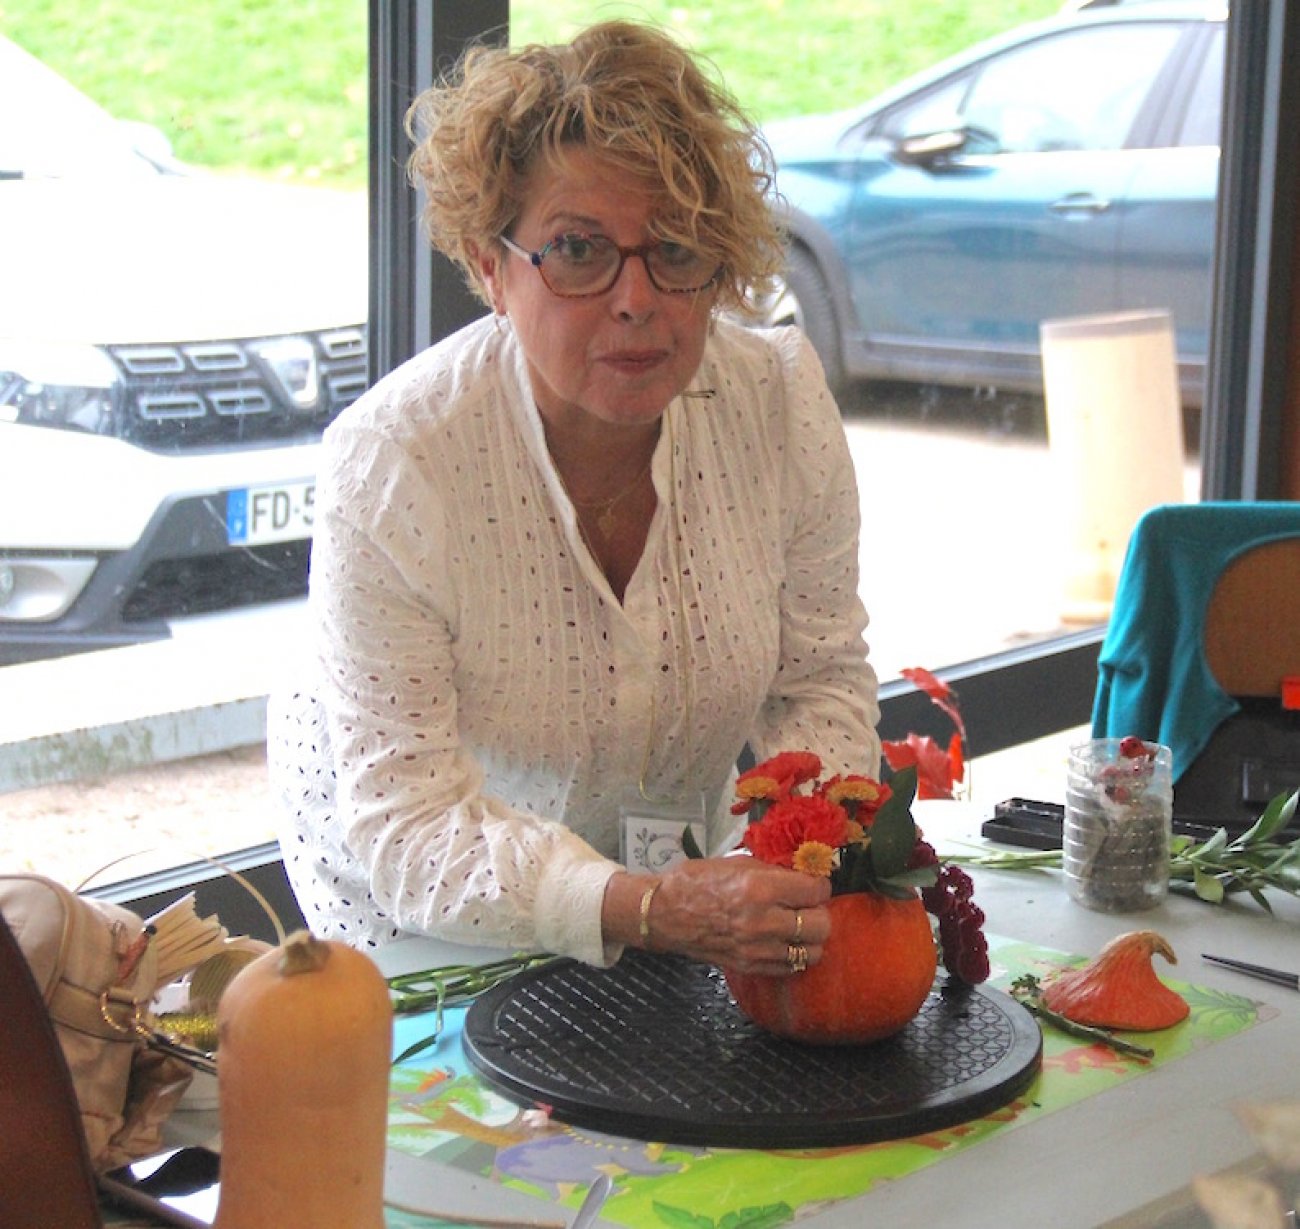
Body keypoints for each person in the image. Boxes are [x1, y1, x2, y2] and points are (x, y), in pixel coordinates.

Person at [268, 20, 880, 980]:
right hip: (428, 923)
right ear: (490, 267)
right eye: (578, 250)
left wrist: (772, 862)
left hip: (688, 908)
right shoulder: (393, 463)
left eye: (676, 248)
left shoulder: (778, 401)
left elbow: (821, 681)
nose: (636, 299)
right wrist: (650, 907)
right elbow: (409, 825)